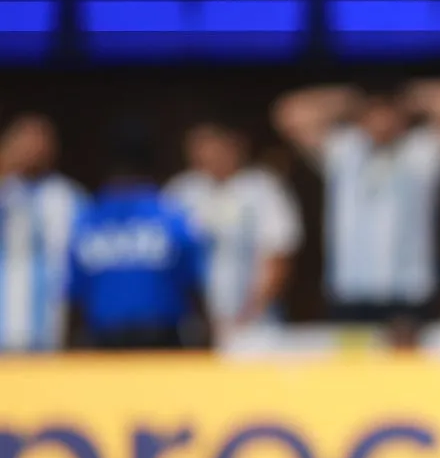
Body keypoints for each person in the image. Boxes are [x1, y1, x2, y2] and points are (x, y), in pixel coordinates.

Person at [272, 79, 440, 338]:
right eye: (374, 117)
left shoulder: (422, 154)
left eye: (388, 117)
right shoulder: (344, 152)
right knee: (354, 373)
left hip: (408, 292)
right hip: (352, 292)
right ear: (361, 120)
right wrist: (345, 101)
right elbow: (289, 113)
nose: (381, 124)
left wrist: (410, 100)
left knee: (408, 372)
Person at [164, 120, 303, 346]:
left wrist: (251, 313)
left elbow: (279, 253)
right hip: (196, 320)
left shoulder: (263, 188)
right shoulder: (182, 191)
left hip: (255, 319)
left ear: (234, 147)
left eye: (214, 149)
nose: (208, 158)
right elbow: (170, 257)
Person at [66, 127, 207, 349]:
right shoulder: (170, 214)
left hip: (130, 336)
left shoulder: (88, 219)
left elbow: (73, 297)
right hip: (148, 336)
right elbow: (195, 285)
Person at [0, 113, 86, 351]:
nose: (32, 149)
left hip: (48, 331)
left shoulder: (68, 197)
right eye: (24, 140)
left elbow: (80, 265)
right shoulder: (5, 190)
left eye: (40, 141)